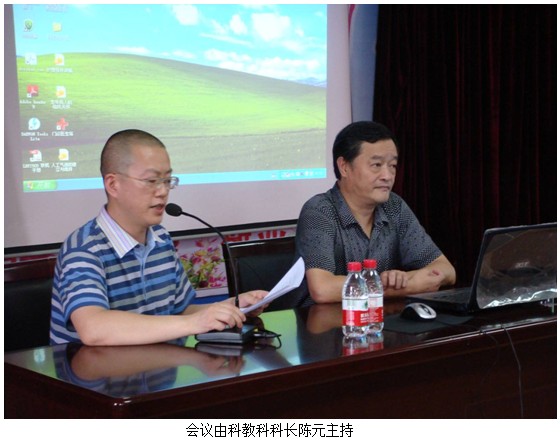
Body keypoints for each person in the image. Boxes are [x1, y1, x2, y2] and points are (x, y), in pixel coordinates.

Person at [50, 129, 267, 346]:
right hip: (93, 367)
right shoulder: (83, 248)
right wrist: (194, 322)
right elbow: (94, 329)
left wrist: (232, 308)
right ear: (113, 185)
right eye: (152, 180)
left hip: (157, 363)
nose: (163, 191)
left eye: (167, 180)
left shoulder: (161, 239)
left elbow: (181, 312)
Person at [295, 121, 456, 303]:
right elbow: (322, 289)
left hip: (380, 317)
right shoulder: (319, 211)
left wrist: (404, 279)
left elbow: (447, 270)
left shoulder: (394, 206)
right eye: (376, 165)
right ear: (344, 167)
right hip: (324, 319)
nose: (387, 176)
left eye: (392, 165)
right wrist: (405, 287)